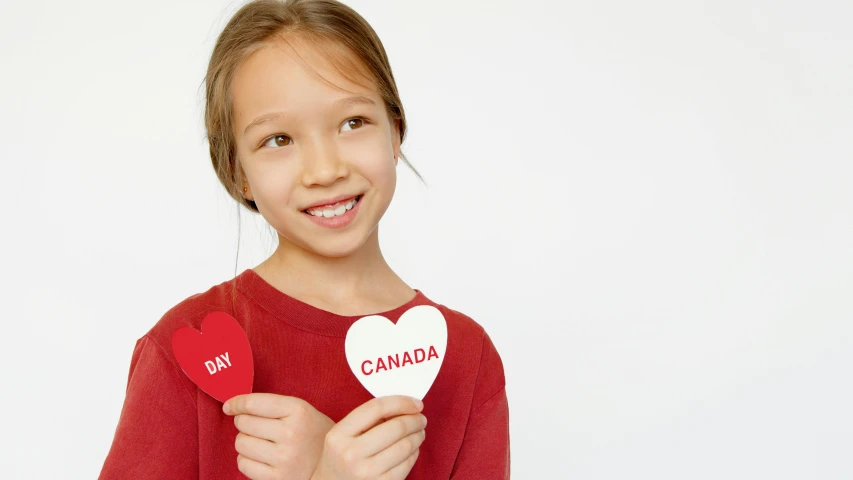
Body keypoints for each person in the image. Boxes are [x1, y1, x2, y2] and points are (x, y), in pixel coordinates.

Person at [97, 0, 509, 478]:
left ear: (395, 130)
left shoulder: (466, 358)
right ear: (239, 173)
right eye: (279, 140)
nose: (325, 170)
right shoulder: (184, 348)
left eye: (353, 122)